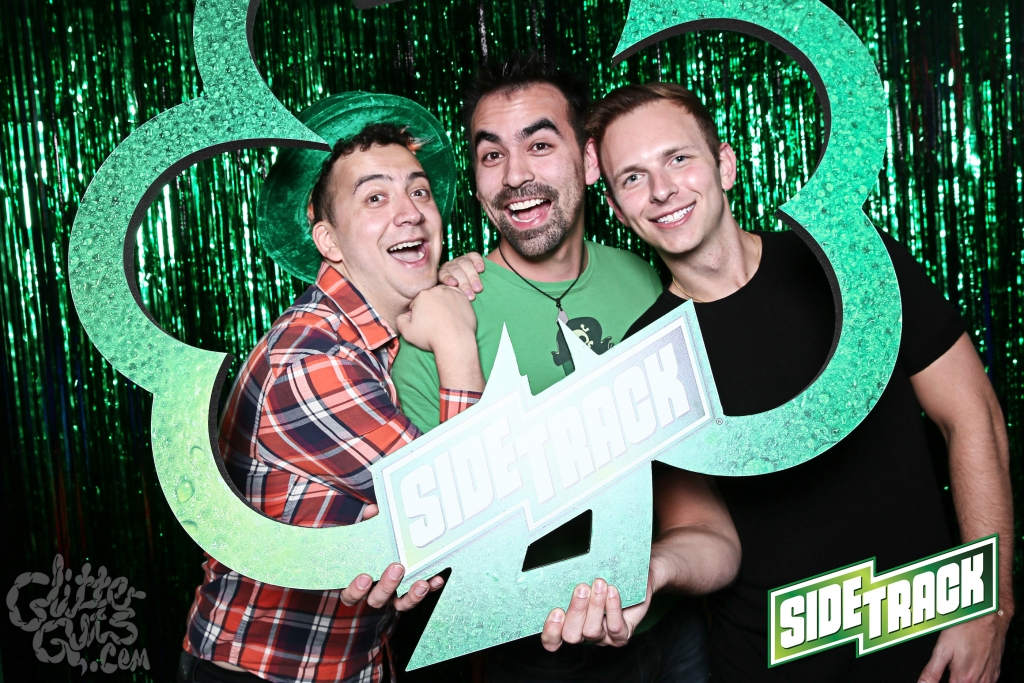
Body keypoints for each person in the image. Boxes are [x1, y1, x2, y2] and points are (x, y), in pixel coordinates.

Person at [544, 81, 1014, 683]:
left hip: (927, 636)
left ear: (725, 165)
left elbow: (972, 417)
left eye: (678, 158)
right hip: (773, 660)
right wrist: (653, 570)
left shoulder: (852, 264)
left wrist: (989, 600)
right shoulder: (645, 363)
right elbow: (706, 533)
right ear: (616, 208)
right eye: (632, 177)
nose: (661, 190)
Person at [391, 54, 740, 683]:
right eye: (492, 155)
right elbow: (441, 543)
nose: (515, 176)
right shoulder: (440, 322)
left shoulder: (646, 278)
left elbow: (691, 478)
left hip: (675, 629)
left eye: (540, 145)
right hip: (535, 656)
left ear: (589, 161)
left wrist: (655, 573)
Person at [178, 93, 486, 683]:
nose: (411, 212)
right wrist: (456, 341)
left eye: (420, 191)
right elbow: (463, 515)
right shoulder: (313, 362)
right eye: (375, 197)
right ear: (330, 242)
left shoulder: (360, 331)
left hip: (352, 663)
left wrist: (439, 291)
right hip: (267, 673)